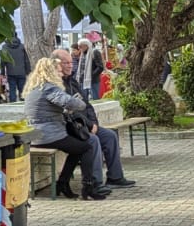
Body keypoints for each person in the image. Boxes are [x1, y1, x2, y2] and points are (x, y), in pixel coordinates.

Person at [22, 56, 108, 202]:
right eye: (59, 71)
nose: (61, 74)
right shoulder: (49, 87)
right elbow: (68, 102)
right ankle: (88, 187)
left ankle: (62, 183)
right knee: (87, 147)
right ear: (51, 72)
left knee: (77, 149)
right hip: (49, 135)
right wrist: (80, 103)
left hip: (36, 135)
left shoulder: (34, 88)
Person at [53, 47, 135, 190]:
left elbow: (87, 105)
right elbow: (68, 113)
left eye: (71, 62)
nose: (70, 65)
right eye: (66, 63)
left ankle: (115, 178)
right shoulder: (55, 86)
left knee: (110, 136)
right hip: (71, 128)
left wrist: (94, 123)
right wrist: (89, 126)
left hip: (85, 125)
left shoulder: (73, 82)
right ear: (56, 64)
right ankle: (95, 184)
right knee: (93, 140)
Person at [1, 33, 31, 102]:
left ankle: (12, 105)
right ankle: (24, 104)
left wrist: (2, 72)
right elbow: (26, 60)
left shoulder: (4, 47)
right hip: (22, 72)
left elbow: (3, 61)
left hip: (11, 72)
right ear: (16, 36)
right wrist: (28, 71)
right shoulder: (22, 46)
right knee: (22, 90)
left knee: (12, 90)